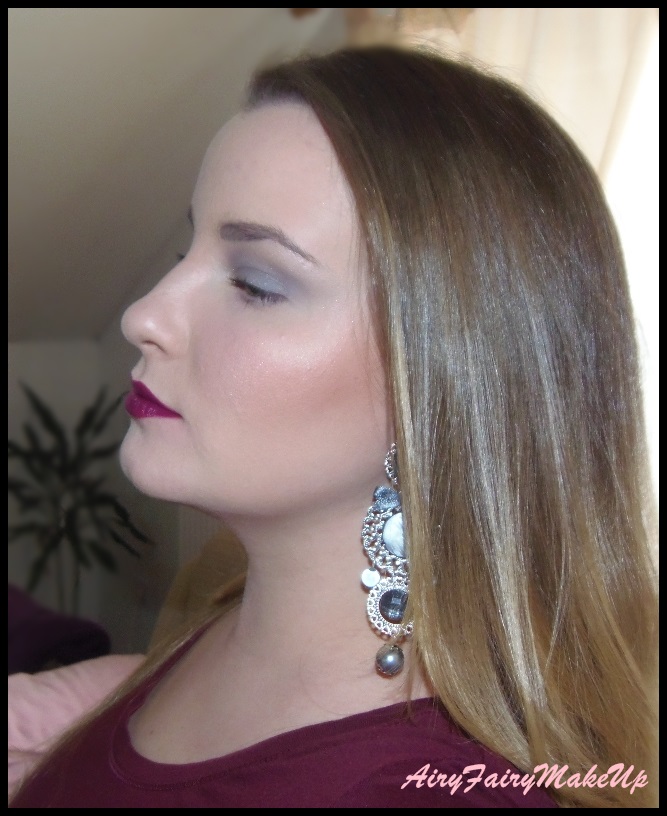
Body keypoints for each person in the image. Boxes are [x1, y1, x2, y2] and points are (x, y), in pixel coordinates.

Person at [10, 44, 657, 808]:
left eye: (255, 284)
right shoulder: (214, 626)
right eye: (186, 251)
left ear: (443, 381)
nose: (143, 315)